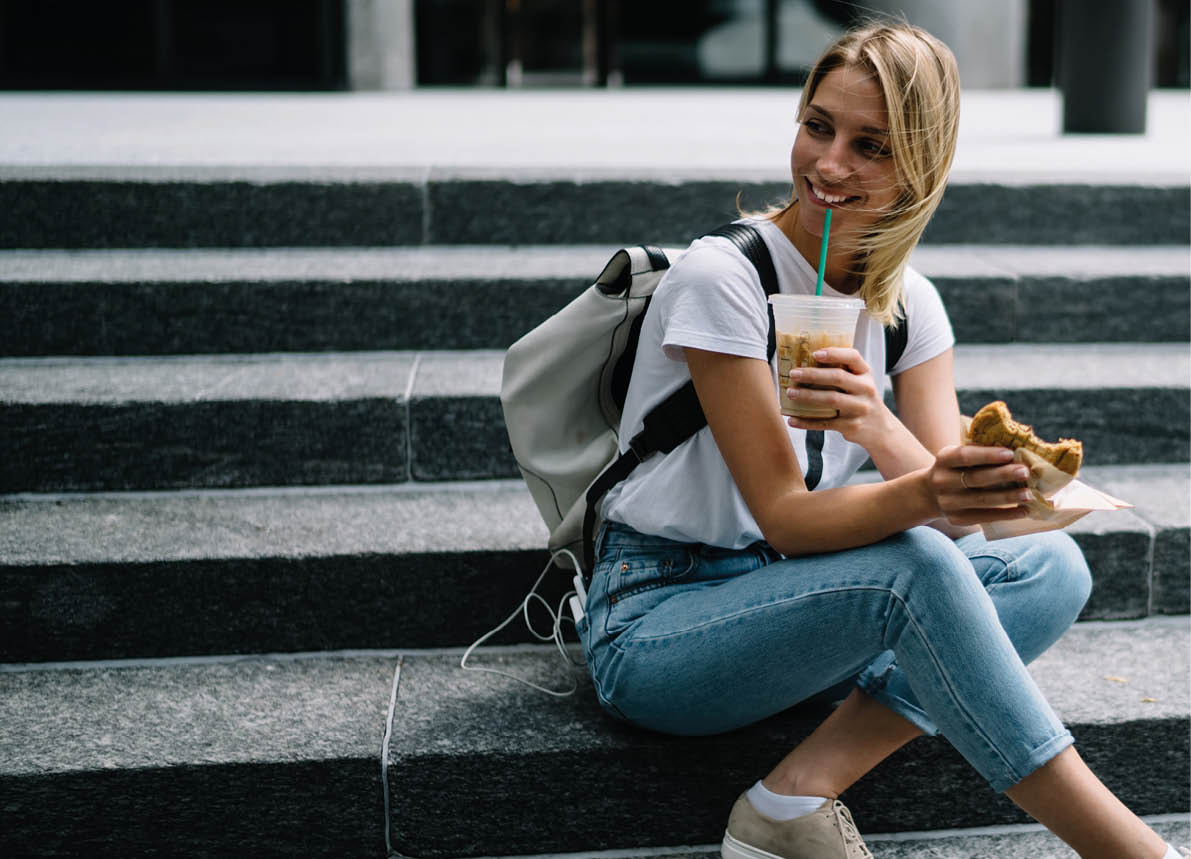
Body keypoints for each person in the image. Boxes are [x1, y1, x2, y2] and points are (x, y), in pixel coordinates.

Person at [574, 21, 1183, 859]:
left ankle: (791, 794)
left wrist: (876, 424)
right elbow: (786, 516)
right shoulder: (722, 278)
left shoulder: (908, 305)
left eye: (871, 147)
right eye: (817, 126)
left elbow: (960, 512)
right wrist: (932, 491)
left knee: (1049, 566)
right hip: (658, 619)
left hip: (797, 606)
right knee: (916, 569)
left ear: (919, 168)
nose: (828, 165)